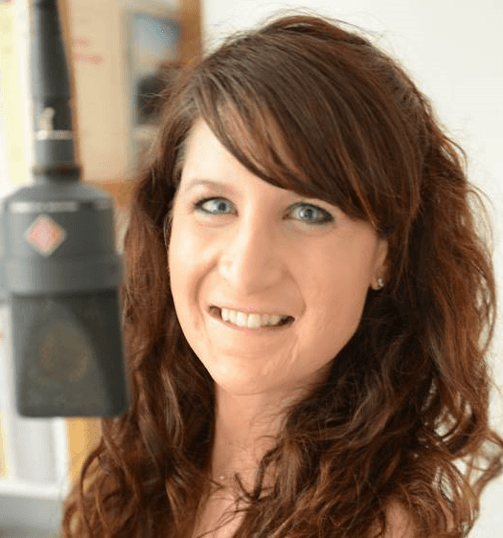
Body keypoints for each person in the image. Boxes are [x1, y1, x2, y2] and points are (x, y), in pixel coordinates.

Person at [62, 13, 503, 538]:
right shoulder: (139, 470)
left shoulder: (383, 528)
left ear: (387, 254)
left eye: (309, 213)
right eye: (216, 204)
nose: (246, 271)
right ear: (167, 225)